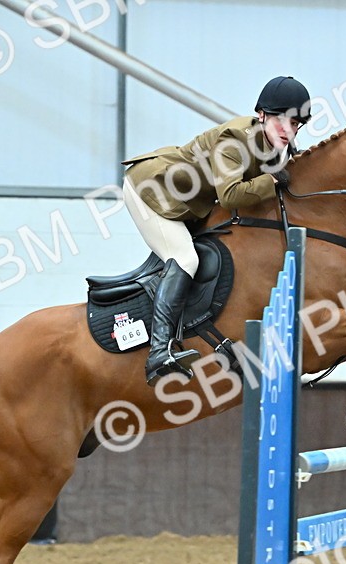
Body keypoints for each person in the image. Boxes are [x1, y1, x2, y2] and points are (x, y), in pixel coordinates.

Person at [122, 76, 312, 385]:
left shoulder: (277, 145)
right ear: (262, 114)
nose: (288, 131)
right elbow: (231, 195)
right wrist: (272, 180)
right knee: (185, 258)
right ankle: (158, 352)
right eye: (281, 121)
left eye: (295, 124)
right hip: (152, 191)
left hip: (189, 199)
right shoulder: (234, 141)